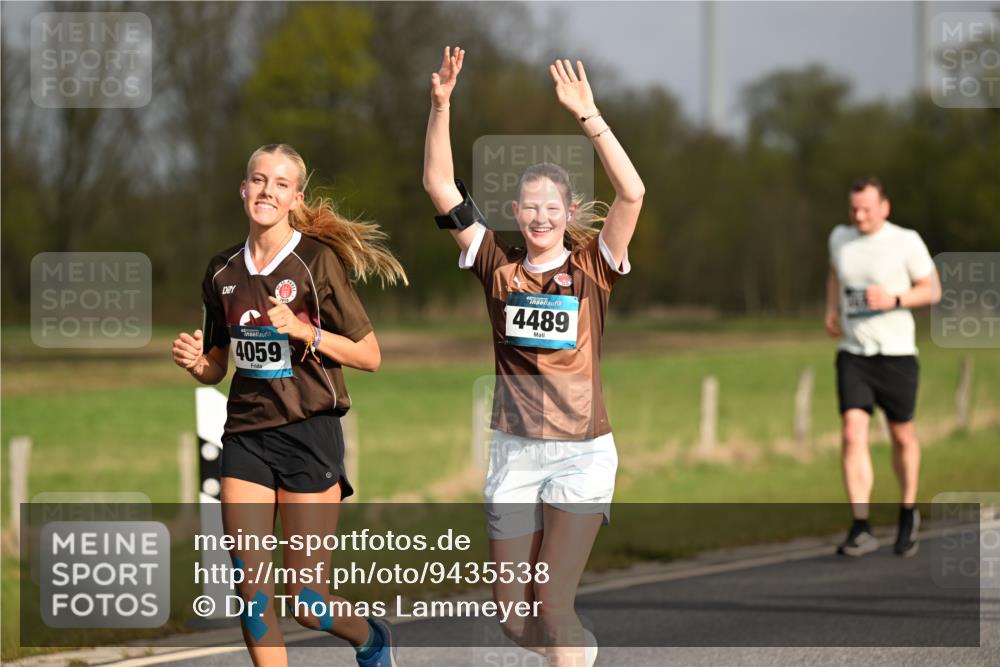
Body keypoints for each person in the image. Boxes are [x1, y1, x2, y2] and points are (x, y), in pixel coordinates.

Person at [423, 48, 644, 666]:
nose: (542, 218)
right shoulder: (496, 264)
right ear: (516, 213)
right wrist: (440, 105)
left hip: (581, 452)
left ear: (568, 213)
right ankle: (580, 655)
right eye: (531, 208)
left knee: (551, 603)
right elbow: (439, 185)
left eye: (553, 208)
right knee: (515, 619)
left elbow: (632, 193)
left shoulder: (594, 267)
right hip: (514, 452)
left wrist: (589, 116)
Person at [171, 143, 407, 667]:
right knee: (253, 597)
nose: (267, 191)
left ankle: (372, 639)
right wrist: (195, 363)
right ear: (243, 189)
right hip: (245, 436)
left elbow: (370, 356)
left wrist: (304, 332)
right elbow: (217, 365)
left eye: (280, 184)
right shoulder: (221, 270)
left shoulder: (316, 262)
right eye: (258, 180)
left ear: (295, 198)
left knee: (308, 604)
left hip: (309, 432)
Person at [825, 177, 941, 558]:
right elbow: (834, 273)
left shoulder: (905, 241)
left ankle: (908, 512)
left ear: (884, 207)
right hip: (854, 352)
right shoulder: (840, 238)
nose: (859, 216)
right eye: (854, 209)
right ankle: (861, 526)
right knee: (851, 432)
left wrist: (894, 299)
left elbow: (933, 289)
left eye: (867, 209)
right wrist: (830, 308)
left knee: (902, 436)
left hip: (896, 354)